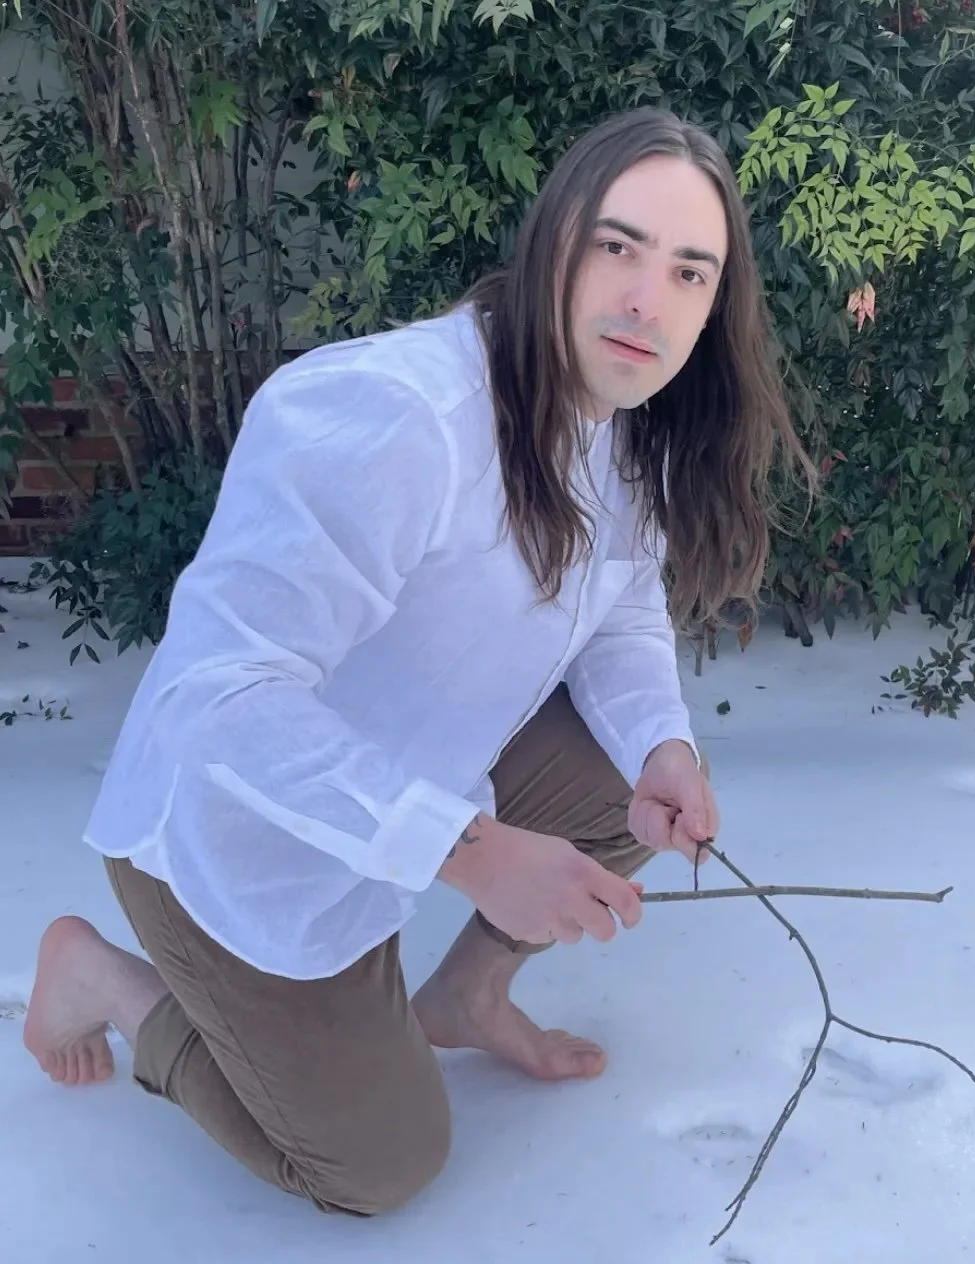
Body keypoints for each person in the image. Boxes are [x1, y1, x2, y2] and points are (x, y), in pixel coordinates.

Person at [22, 106, 808, 1216]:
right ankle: (106, 978)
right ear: (554, 238)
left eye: (690, 272)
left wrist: (662, 744)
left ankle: (464, 999)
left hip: (417, 776)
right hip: (237, 841)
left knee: (618, 784)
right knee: (379, 1168)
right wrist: (466, 846)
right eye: (618, 246)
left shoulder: (625, 414)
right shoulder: (395, 418)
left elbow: (620, 604)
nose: (648, 300)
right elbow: (219, 698)